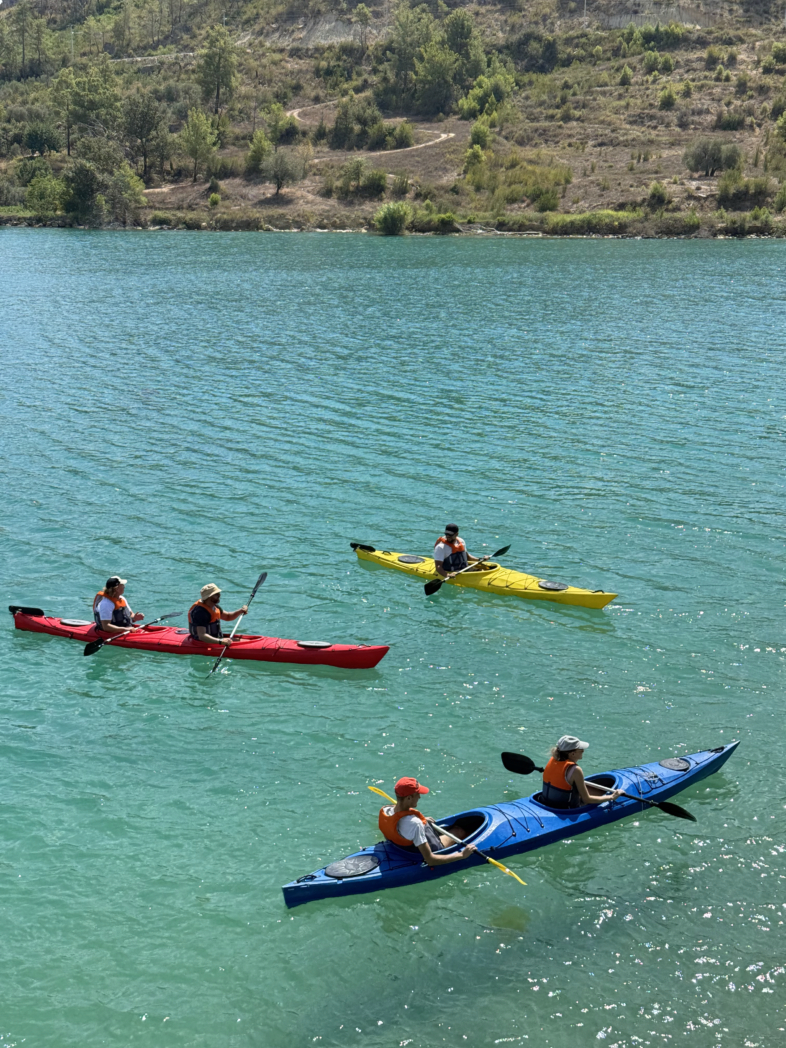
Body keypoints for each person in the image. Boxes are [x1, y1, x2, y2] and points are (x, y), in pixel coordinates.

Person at [378, 776, 477, 866]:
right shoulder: (415, 824)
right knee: (458, 831)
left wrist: (422, 820)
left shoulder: (386, 811)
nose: (419, 797)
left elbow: (402, 826)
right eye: (417, 794)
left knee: (430, 825)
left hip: (400, 847)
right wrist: (462, 855)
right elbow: (430, 860)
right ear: (408, 798)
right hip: (422, 851)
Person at [541, 735, 624, 809]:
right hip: (567, 809)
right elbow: (587, 799)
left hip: (547, 803)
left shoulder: (552, 760)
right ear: (572, 754)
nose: (583, 750)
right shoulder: (575, 770)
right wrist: (612, 797)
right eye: (580, 749)